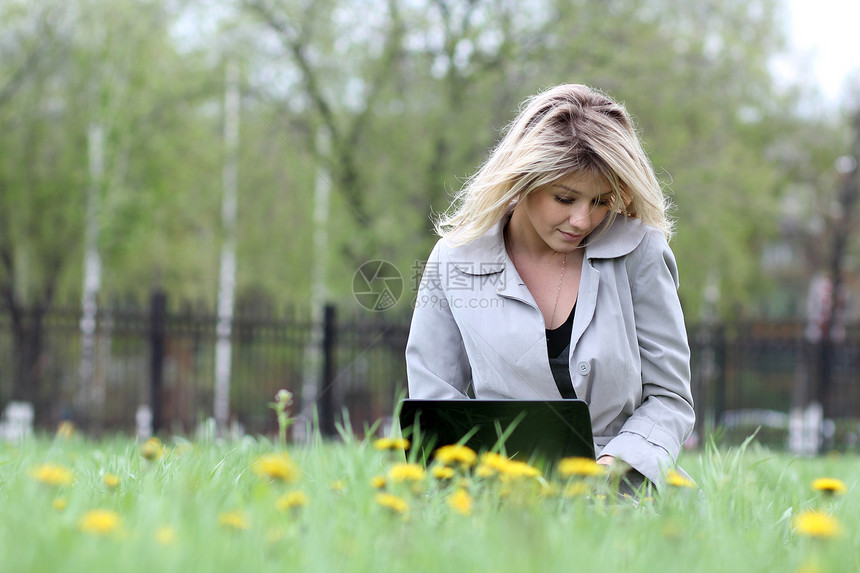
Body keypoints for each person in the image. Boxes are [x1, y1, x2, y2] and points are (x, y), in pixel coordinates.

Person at [405, 84, 695, 491]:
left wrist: (615, 465)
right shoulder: (453, 259)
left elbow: (670, 398)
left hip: (626, 493)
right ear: (523, 180)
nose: (582, 220)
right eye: (565, 198)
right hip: (497, 494)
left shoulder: (641, 251)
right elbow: (434, 402)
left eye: (600, 201)